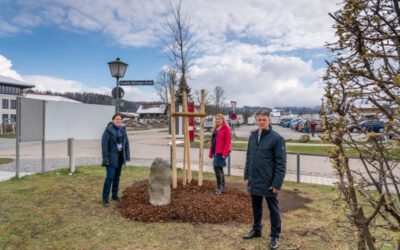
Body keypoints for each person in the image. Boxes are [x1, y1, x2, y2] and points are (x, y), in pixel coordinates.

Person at [242, 109, 286, 250]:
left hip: (269, 181)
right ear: (256, 120)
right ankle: (256, 230)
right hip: (254, 179)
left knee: (273, 209)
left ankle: (275, 236)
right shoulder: (253, 136)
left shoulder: (277, 139)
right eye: (259, 119)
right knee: (256, 207)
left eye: (264, 119)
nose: (261, 122)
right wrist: (247, 175)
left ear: (269, 120)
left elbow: (281, 163)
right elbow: (249, 157)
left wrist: (277, 183)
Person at [101, 113, 130, 207]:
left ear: (122, 121)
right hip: (111, 158)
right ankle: (105, 199)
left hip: (120, 158)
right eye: (116, 119)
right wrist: (105, 159)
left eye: (120, 119)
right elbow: (104, 145)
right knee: (110, 177)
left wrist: (127, 156)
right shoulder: (108, 130)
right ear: (113, 120)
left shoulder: (122, 130)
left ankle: (114, 195)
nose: (118, 120)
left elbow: (126, 143)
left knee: (117, 178)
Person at [209, 113, 232, 195]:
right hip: (216, 150)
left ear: (223, 120)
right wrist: (211, 152)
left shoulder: (226, 129)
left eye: (219, 119)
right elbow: (213, 141)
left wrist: (224, 154)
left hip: (222, 151)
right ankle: (222, 187)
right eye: (217, 119)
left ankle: (220, 188)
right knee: (219, 168)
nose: (218, 120)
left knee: (216, 167)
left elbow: (227, 142)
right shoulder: (216, 128)